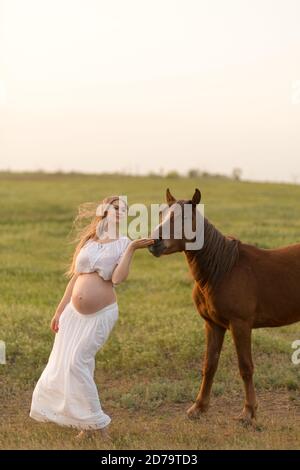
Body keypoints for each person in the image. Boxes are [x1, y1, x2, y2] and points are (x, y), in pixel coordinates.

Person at [29, 195, 154, 439]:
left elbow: (116, 279)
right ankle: (86, 424)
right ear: (105, 210)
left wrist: (130, 249)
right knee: (67, 364)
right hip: (73, 315)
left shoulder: (123, 242)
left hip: (101, 314)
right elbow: (75, 278)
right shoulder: (89, 241)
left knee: (77, 362)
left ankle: (99, 425)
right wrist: (60, 310)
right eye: (116, 207)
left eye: (124, 209)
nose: (121, 212)